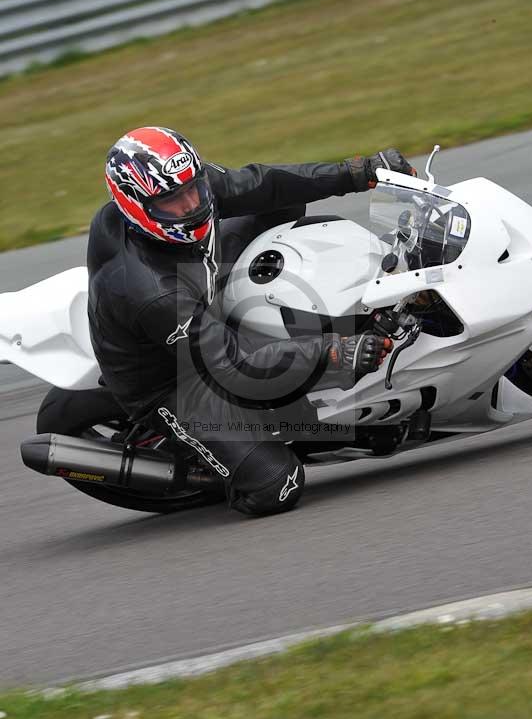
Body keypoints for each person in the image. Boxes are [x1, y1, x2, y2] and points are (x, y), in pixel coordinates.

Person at [87, 126, 415, 516]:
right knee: (278, 485)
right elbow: (228, 365)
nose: (192, 205)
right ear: (136, 206)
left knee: (281, 203)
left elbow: (265, 183)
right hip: (173, 379)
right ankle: (218, 469)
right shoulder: (148, 291)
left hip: (198, 283)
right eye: (173, 202)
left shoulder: (186, 193)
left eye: (195, 188)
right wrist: (331, 352)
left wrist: (358, 172)